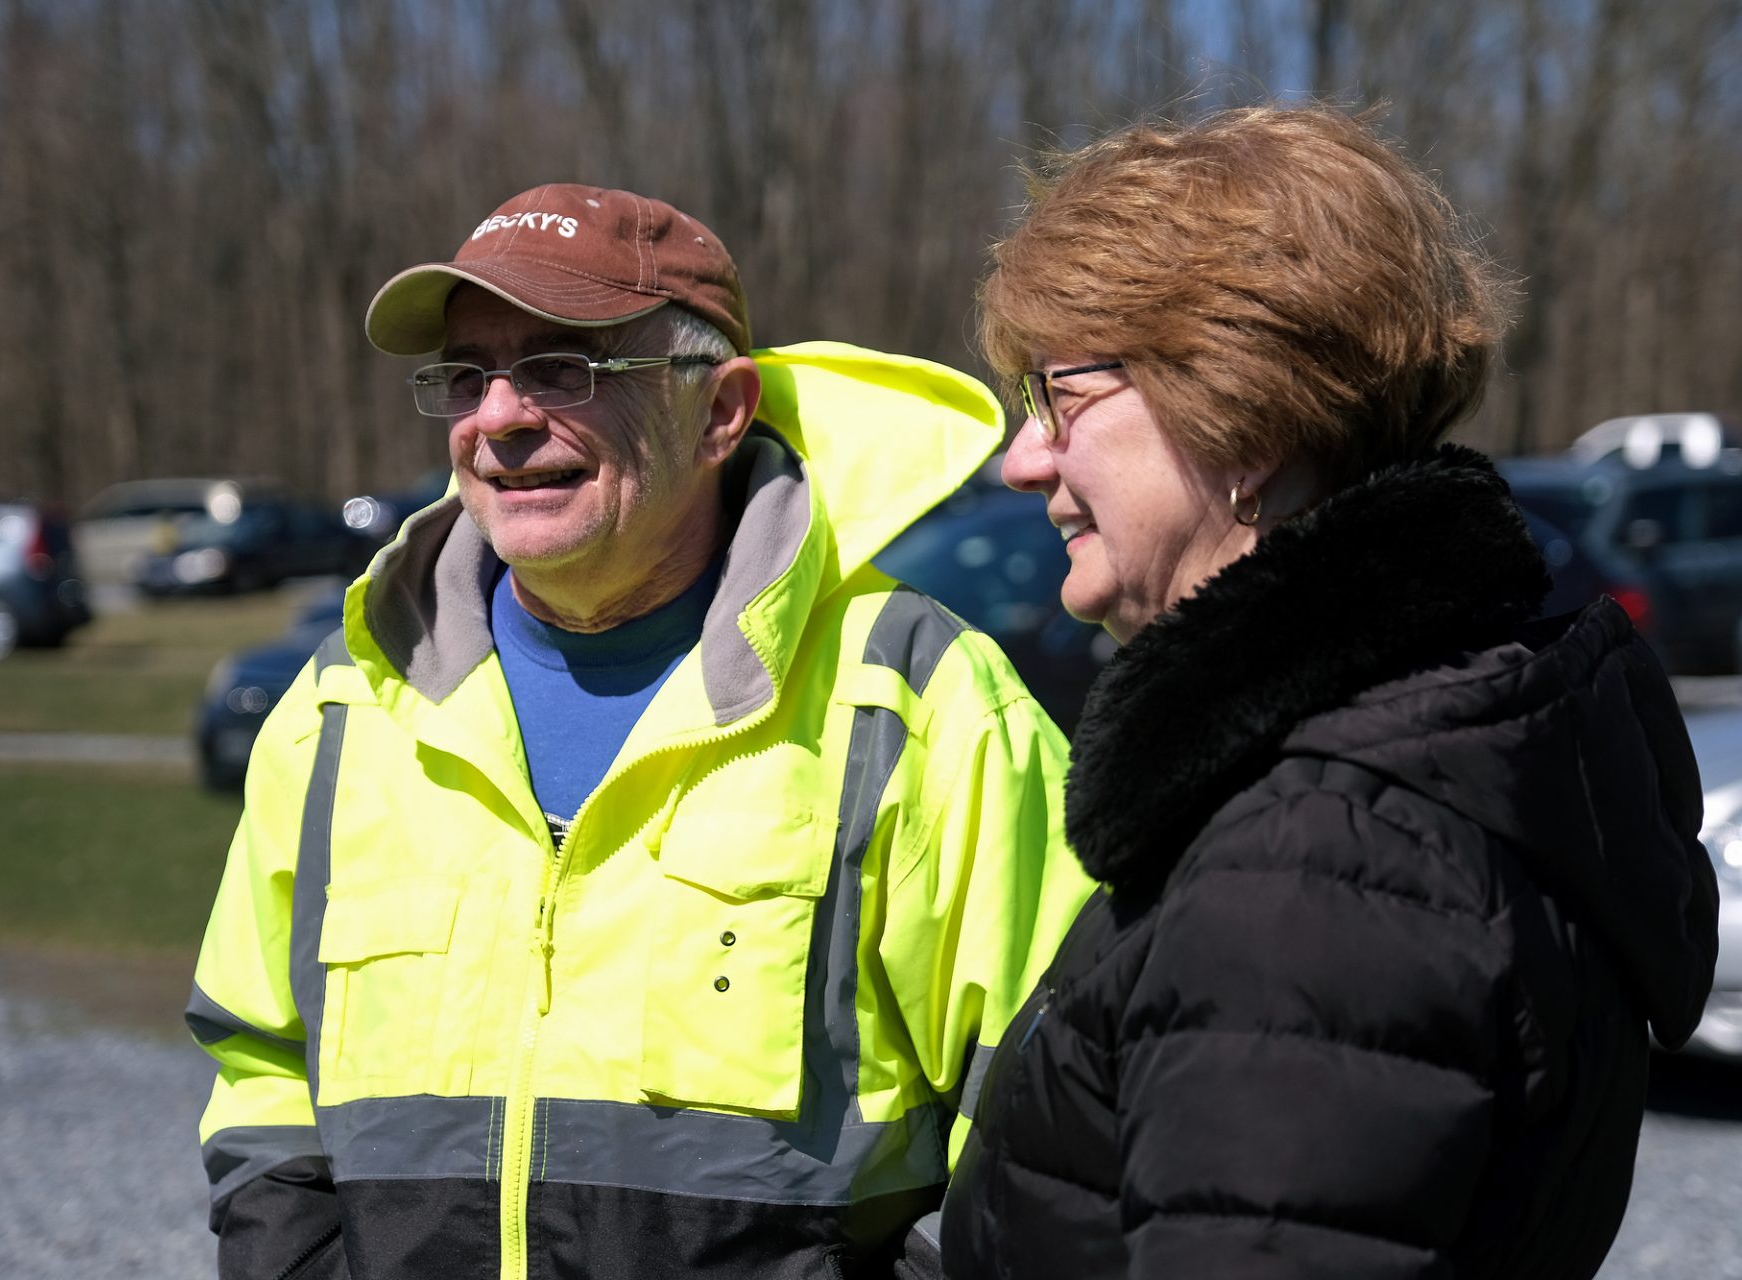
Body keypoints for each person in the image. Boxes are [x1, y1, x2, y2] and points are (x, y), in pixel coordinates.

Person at [185, 183, 1092, 1280]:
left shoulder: (915, 698)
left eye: (565, 369)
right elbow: (263, 1064)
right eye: (467, 377)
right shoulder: (346, 702)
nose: (502, 417)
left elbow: (1058, 1121)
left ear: (720, 411)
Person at [941, 107, 1720, 1278]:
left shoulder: (1314, 874)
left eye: (1063, 396)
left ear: (1243, 414)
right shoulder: (1400, 751)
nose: (1021, 459)